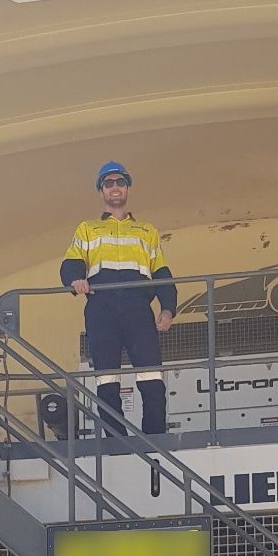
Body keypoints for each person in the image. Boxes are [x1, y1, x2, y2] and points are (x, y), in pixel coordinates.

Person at [59, 161, 177, 435]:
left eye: (120, 182)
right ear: (101, 191)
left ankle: (155, 436)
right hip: (102, 307)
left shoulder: (147, 230)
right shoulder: (87, 228)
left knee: (151, 375)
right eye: (108, 183)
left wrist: (168, 308)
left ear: (128, 188)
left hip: (138, 308)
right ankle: (116, 439)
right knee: (106, 377)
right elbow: (71, 262)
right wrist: (75, 280)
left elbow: (162, 272)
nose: (115, 188)